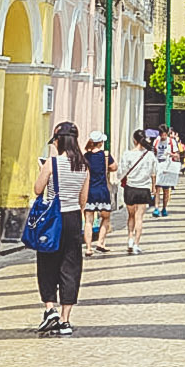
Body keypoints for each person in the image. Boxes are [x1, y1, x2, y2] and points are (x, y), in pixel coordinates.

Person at [33, 121, 84, 337]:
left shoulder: (52, 163)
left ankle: (49, 308)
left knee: (47, 263)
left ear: (58, 140)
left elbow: (38, 190)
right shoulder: (84, 166)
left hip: (53, 219)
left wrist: (42, 170)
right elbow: (84, 199)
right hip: (73, 217)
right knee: (70, 266)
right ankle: (65, 319)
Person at [117, 128, 158, 255]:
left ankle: (129, 239)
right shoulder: (150, 155)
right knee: (139, 217)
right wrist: (153, 187)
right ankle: (136, 244)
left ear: (134, 140)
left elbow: (121, 172)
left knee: (131, 216)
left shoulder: (127, 154)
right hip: (144, 189)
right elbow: (154, 172)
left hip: (130, 188)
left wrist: (120, 177)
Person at [80, 132, 113, 250]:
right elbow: (114, 167)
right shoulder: (105, 155)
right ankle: (100, 242)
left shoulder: (86, 156)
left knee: (88, 220)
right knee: (105, 217)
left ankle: (88, 248)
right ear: (100, 143)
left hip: (89, 191)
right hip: (102, 190)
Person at [154, 132, 181, 219]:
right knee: (157, 188)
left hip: (168, 166)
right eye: (161, 135)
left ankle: (164, 208)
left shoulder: (172, 142)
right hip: (159, 165)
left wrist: (171, 154)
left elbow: (177, 155)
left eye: (165, 135)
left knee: (166, 189)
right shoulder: (156, 141)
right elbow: (153, 152)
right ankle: (156, 207)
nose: (163, 137)